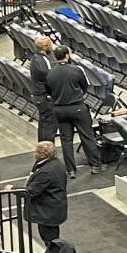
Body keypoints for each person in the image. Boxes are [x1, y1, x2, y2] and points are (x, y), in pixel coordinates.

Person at [45, 44, 104, 177]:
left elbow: (48, 90)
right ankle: (95, 165)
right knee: (87, 137)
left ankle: (71, 170)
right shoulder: (76, 69)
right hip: (77, 107)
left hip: (59, 109)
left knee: (66, 140)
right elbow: (84, 86)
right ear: (66, 55)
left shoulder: (50, 73)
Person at [24, 142, 69, 250]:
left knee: (50, 240)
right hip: (52, 209)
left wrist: (12, 189)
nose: (33, 153)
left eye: (36, 151)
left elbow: (31, 191)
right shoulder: (54, 163)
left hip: (48, 212)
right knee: (50, 238)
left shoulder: (46, 171)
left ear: (43, 154)